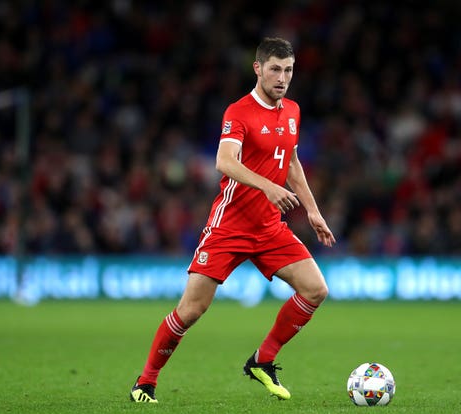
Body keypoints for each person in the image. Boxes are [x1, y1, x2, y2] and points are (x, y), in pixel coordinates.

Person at [129, 37, 336, 403]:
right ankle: (145, 382)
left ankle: (262, 360)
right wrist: (269, 188)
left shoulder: (292, 111)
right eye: (275, 69)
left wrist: (313, 210)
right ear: (257, 68)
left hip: (270, 227)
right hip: (230, 226)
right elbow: (224, 162)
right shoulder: (239, 112)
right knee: (191, 310)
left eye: (288, 70)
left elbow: (290, 162)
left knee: (316, 289)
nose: (282, 77)